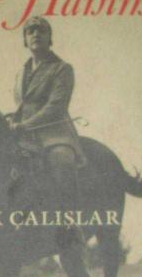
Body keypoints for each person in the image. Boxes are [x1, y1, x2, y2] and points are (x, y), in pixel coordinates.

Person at [10, 16, 87, 244]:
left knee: (61, 161)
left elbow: (56, 106)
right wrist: (11, 123)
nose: (36, 34)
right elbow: (22, 106)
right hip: (24, 135)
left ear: (50, 38)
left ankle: (71, 224)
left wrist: (25, 125)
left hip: (54, 134)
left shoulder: (62, 69)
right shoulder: (20, 73)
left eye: (41, 30)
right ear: (25, 40)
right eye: (30, 31)